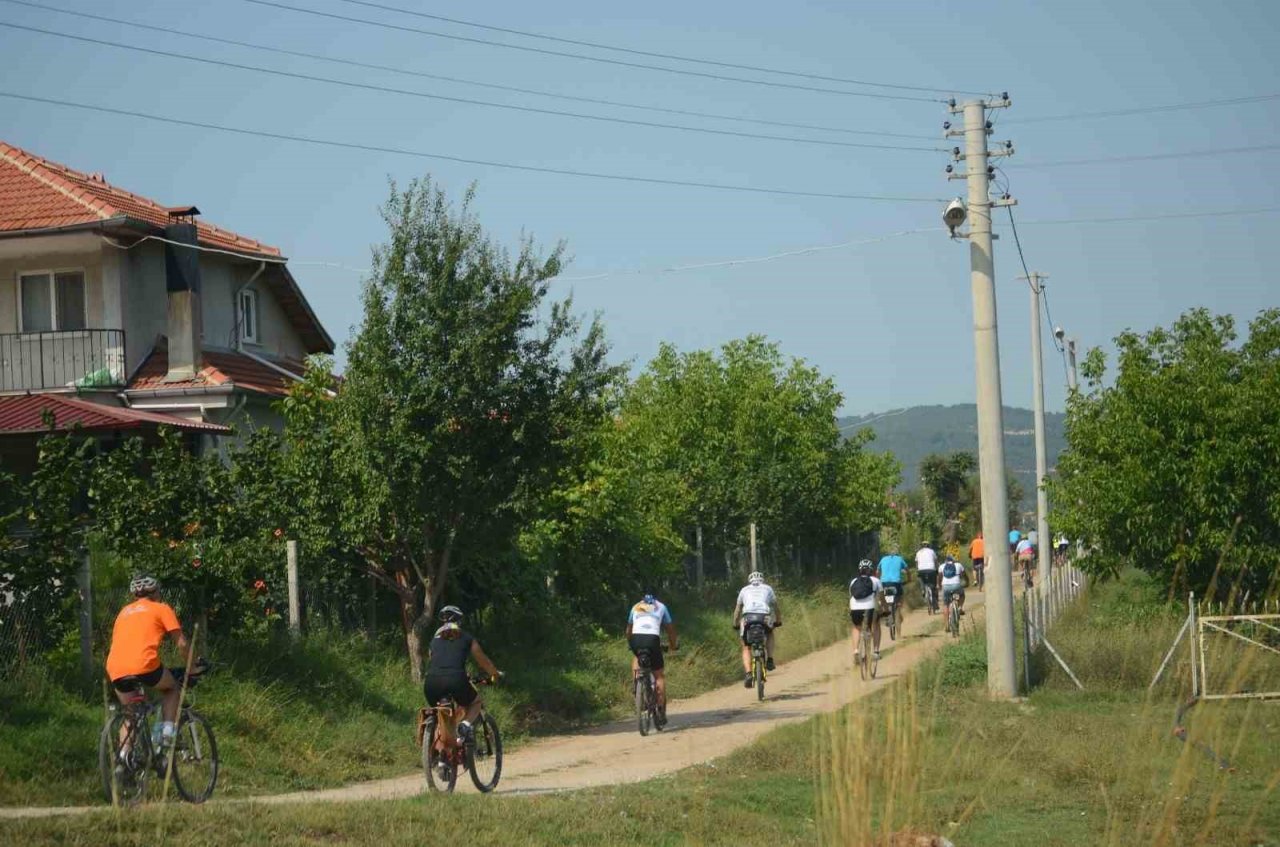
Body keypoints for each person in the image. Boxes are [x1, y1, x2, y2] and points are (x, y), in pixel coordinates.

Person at [105, 575, 195, 752]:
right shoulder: (161, 608)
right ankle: (168, 733)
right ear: (156, 592)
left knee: (130, 715)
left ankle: (123, 761)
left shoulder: (123, 612)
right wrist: (193, 666)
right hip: (144, 665)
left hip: (115, 667)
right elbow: (182, 644)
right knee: (172, 688)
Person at [423, 605, 502, 744]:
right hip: (456, 680)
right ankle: (464, 726)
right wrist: (495, 674)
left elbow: (435, 660)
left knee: (441, 716)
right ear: (459, 621)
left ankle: (441, 758)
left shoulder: (434, 640)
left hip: (430, 684)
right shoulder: (466, 638)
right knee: (476, 702)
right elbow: (483, 661)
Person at [626, 591, 678, 723]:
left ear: (642, 598)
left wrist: (630, 644)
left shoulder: (636, 606)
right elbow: (670, 629)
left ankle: (637, 684)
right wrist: (673, 645)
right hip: (653, 639)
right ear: (656, 597)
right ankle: (660, 710)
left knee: (637, 658)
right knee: (659, 676)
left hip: (636, 639)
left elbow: (628, 629)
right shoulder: (661, 607)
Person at [733, 571, 781, 687]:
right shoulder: (768, 588)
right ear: (762, 580)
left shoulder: (744, 590)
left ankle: (749, 673)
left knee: (746, 646)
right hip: (764, 616)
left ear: (750, 580)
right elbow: (776, 607)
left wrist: (735, 623)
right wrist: (778, 621)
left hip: (748, 617)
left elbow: (738, 610)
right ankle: (769, 659)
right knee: (770, 633)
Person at [849, 559, 886, 661]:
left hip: (855, 609)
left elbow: (851, 597)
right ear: (871, 570)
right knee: (876, 625)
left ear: (859, 570)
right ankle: (876, 652)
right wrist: (885, 609)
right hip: (870, 609)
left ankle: (856, 650)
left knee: (856, 628)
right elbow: (882, 599)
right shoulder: (876, 581)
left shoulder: (853, 582)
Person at [876, 547, 907, 620]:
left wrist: (878, 580)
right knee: (900, 596)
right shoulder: (900, 559)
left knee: (882, 597)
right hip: (896, 583)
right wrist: (909, 579)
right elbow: (907, 570)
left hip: (884, 583)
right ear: (897, 554)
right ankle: (899, 609)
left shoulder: (883, 559)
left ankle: (882, 606)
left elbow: (877, 571)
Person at [915, 541, 939, 612]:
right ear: (929, 546)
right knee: (933, 586)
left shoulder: (918, 552)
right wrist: (937, 569)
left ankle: (923, 589)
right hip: (931, 570)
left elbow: (916, 563)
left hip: (921, 570)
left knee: (921, 578)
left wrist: (918, 570)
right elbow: (936, 561)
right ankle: (935, 603)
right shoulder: (932, 551)